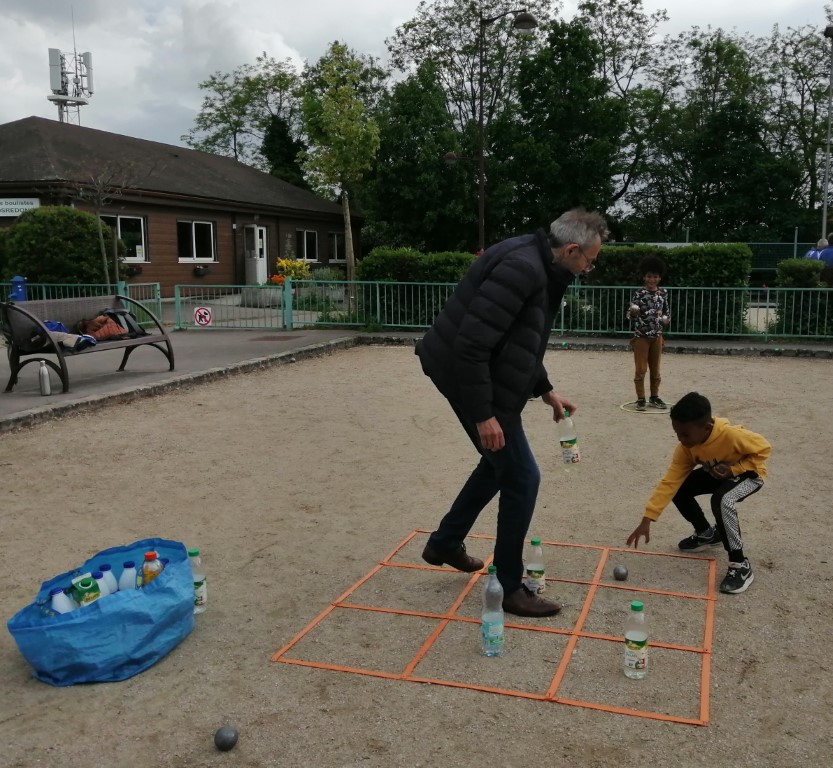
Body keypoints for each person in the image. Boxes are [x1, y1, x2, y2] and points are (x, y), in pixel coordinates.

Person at [415, 208, 609, 617]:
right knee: (522, 476)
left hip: (479, 372)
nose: (588, 268)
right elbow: (472, 345)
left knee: (498, 463)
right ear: (571, 249)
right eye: (589, 261)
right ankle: (508, 587)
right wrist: (483, 414)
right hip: (463, 371)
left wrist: (546, 390)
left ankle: (445, 542)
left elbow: (520, 338)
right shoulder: (523, 269)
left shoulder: (539, 261)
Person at [626, 392, 771, 595]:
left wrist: (734, 470)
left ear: (707, 427)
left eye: (685, 434)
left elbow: (764, 448)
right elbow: (670, 482)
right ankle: (706, 534)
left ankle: (740, 564)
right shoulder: (686, 449)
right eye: (677, 433)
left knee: (722, 499)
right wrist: (647, 519)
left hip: (750, 475)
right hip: (719, 475)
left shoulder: (731, 435)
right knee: (679, 488)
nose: (681, 439)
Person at [627, 255, 670, 411]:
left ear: (659, 278)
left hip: (657, 336)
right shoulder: (638, 294)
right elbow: (630, 315)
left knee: (656, 370)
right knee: (641, 369)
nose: (652, 279)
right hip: (641, 337)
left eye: (655, 276)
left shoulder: (663, 293)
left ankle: (654, 397)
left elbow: (667, 312)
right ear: (644, 277)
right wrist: (633, 312)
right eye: (649, 276)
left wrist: (666, 320)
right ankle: (640, 399)